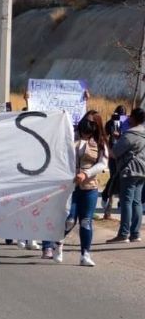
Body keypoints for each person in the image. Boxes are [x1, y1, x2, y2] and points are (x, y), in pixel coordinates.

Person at [54, 111, 108, 266]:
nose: (87, 125)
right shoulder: (70, 136)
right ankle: (58, 243)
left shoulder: (100, 142)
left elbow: (102, 164)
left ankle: (85, 254)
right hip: (70, 186)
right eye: (86, 121)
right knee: (70, 219)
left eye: (92, 123)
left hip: (89, 187)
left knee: (86, 221)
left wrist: (86, 173)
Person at [107, 107, 145, 244]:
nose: (128, 118)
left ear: (134, 118)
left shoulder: (130, 134)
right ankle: (135, 234)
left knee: (126, 202)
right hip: (142, 171)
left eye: (130, 116)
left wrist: (110, 143)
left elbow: (115, 152)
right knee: (137, 202)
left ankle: (123, 234)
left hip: (129, 171)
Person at [101, 105, 127, 219]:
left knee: (123, 177)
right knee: (113, 176)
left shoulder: (126, 123)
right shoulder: (110, 123)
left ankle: (121, 200)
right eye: (118, 114)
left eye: (122, 115)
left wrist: (120, 135)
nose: (119, 117)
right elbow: (104, 136)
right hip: (112, 153)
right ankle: (106, 196)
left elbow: (127, 136)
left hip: (123, 154)